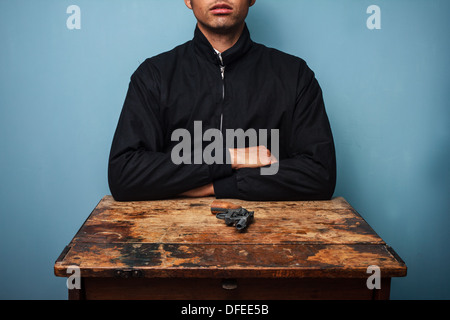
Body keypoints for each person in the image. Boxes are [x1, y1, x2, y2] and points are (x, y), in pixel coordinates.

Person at [108, 0, 336, 201]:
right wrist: (230, 158)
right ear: (188, 0)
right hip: (170, 236)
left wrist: (216, 186)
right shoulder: (154, 75)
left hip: (274, 237)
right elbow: (124, 174)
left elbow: (319, 174)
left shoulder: (294, 74)